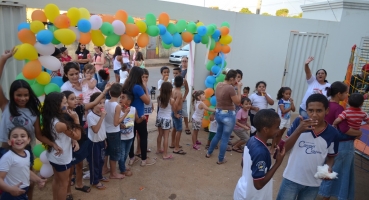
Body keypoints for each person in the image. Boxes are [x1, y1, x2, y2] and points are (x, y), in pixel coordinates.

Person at [0, 48, 61, 200]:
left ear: (30, 95)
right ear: (12, 95)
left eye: (25, 95)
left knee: (27, 181)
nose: (22, 98)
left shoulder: (34, 113)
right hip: (5, 149)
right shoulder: (5, 106)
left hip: (25, 150)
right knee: (6, 182)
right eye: (18, 95)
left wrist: (52, 144)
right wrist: (3, 59)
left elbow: (39, 134)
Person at [276, 94, 339, 200]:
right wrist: (299, 130)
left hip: (313, 183)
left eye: (319, 111)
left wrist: (327, 168)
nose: (314, 115)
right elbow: (284, 148)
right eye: (311, 110)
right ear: (306, 110)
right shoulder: (299, 123)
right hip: (291, 178)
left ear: (326, 111)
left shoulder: (333, 133)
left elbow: (331, 157)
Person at [62, 85, 111, 197]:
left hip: (81, 141)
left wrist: (104, 91)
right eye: (72, 99)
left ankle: (79, 184)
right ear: (64, 102)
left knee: (80, 165)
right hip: (69, 143)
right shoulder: (62, 115)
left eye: (75, 98)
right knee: (70, 170)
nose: (75, 100)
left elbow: (94, 103)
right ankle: (68, 192)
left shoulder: (79, 109)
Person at [318, 81, 362, 200]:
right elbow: (344, 129)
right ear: (339, 94)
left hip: (326, 142)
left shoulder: (326, 105)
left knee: (328, 170)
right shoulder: (339, 108)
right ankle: (329, 196)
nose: (347, 95)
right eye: (346, 93)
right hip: (341, 145)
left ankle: (323, 194)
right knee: (340, 174)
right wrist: (358, 133)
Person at [233, 110, 285, 200]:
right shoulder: (261, 152)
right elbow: (258, 185)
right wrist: (278, 163)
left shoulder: (252, 139)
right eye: (277, 127)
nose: (279, 130)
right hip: (253, 196)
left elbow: (243, 164)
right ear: (265, 129)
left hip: (242, 190)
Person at [41, 92, 81, 200]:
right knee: (64, 184)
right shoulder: (61, 125)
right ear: (56, 105)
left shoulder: (49, 117)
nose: (67, 105)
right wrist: (76, 119)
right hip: (62, 157)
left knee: (57, 180)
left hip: (53, 155)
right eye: (64, 103)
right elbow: (77, 136)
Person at [206, 70, 242, 164]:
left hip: (219, 113)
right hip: (228, 115)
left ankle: (209, 153)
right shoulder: (230, 88)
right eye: (236, 78)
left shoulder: (219, 85)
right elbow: (238, 102)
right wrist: (238, 88)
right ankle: (221, 159)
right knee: (225, 138)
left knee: (218, 134)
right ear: (231, 78)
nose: (236, 81)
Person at [0, 127, 46, 200]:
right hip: (11, 195)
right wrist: (10, 189)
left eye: (23, 136)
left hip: (23, 192)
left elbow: (25, 170)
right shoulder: (8, 157)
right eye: (15, 136)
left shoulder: (27, 153)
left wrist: (38, 180)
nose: (19, 138)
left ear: (28, 140)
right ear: (9, 142)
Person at [122, 67, 156, 166]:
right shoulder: (137, 87)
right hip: (140, 115)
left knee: (130, 137)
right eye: (142, 76)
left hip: (129, 114)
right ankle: (144, 160)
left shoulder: (126, 85)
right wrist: (145, 87)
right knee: (143, 136)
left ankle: (132, 158)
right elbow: (147, 101)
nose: (143, 78)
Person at [104, 83, 129, 179]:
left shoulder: (106, 102)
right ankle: (113, 173)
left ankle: (105, 168)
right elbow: (116, 122)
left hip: (106, 131)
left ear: (109, 93)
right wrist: (125, 114)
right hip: (114, 132)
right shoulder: (117, 106)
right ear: (120, 94)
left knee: (107, 152)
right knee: (114, 153)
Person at [87, 92, 108, 190]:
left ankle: (99, 176)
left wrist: (105, 139)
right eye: (99, 103)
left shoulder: (100, 113)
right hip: (94, 143)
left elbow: (103, 128)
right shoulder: (91, 116)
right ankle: (94, 181)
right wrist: (102, 117)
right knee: (94, 162)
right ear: (93, 104)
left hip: (102, 141)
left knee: (101, 160)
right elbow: (95, 130)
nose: (102, 105)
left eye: (103, 103)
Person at [119, 90, 143, 176]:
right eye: (120, 97)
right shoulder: (118, 110)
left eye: (123, 97)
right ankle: (122, 169)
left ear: (129, 101)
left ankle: (122, 166)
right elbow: (115, 122)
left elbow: (136, 120)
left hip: (130, 136)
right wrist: (120, 125)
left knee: (126, 153)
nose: (120, 99)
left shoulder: (133, 109)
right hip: (121, 137)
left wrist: (142, 118)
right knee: (122, 154)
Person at [135, 68, 154, 157]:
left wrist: (151, 104)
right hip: (141, 112)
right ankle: (138, 150)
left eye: (146, 77)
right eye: (143, 77)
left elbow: (148, 97)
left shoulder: (145, 87)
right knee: (140, 132)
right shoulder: (140, 87)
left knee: (143, 131)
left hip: (147, 110)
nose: (145, 79)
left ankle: (142, 147)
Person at [156, 82, 177, 159]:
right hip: (166, 119)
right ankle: (165, 154)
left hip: (159, 118)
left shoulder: (159, 98)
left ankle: (158, 149)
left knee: (160, 134)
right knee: (166, 137)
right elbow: (174, 109)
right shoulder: (171, 100)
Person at [271, 87, 295, 153]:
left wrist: (292, 103)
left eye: (289, 94)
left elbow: (294, 109)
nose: (288, 95)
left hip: (287, 119)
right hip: (281, 119)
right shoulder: (281, 101)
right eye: (286, 94)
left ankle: (277, 146)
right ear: (283, 94)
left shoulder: (289, 101)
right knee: (277, 134)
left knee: (281, 133)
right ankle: (272, 147)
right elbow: (283, 111)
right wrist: (290, 107)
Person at [171, 67, 191, 135]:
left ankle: (187, 126)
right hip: (176, 102)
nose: (175, 74)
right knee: (176, 115)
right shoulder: (173, 81)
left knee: (185, 113)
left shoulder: (184, 81)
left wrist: (184, 97)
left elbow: (187, 89)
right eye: (174, 73)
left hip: (183, 100)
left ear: (180, 73)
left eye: (176, 73)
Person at [170, 76, 186, 154]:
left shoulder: (173, 90)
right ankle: (176, 148)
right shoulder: (179, 93)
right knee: (179, 130)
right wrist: (176, 113)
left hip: (173, 112)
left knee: (175, 128)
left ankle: (173, 143)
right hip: (177, 112)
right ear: (182, 83)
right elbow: (175, 104)